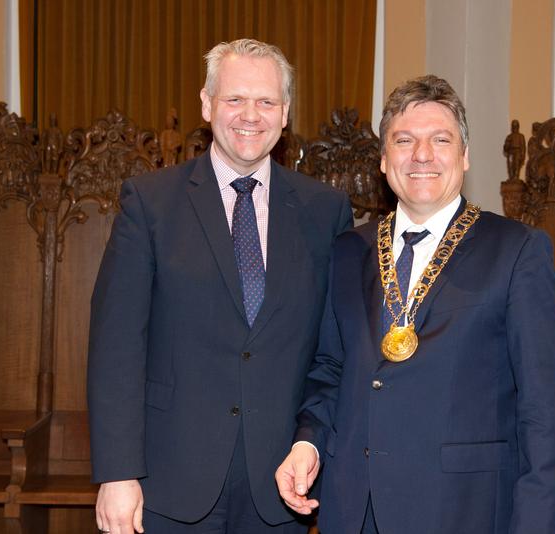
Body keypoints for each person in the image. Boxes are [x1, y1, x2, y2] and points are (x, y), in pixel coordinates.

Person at [276, 75, 555, 534]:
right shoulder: (349, 250)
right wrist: (308, 444)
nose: (422, 155)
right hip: (355, 510)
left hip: (463, 510)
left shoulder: (516, 251)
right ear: (383, 158)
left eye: (440, 139)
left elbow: (543, 409)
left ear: (465, 155)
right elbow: (331, 369)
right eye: (404, 140)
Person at [88, 38, 352, 534]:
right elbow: (116, 346)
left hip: (280, 486)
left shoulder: (325, 212)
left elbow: (330, 353)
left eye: (266, 101)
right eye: (234, 99)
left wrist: (310, 441)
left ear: (286, 112)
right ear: (207, 104)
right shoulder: (150, 204)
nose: (250, 115)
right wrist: (118, 473)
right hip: (166, 483)